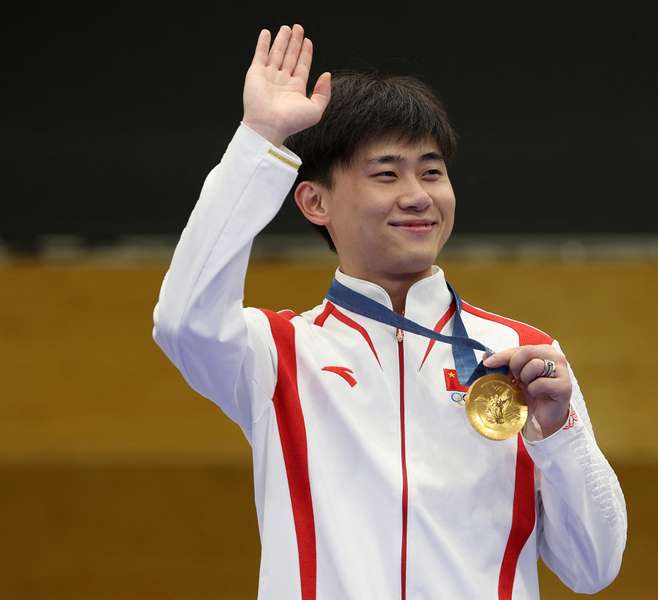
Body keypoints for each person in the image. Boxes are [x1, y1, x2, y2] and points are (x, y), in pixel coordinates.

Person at [152, 23, 626, 599]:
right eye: (386, 173)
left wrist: (561, 433)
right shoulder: (277, 355)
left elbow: (593, 567)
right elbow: (183, 319)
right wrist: (260, 140)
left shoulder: (522, 357)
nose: (418, 195)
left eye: (432, 171)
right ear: (315, 200)